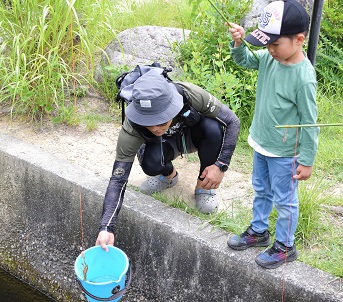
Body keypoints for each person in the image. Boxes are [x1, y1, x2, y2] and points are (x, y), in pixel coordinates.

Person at [96, 68, 240, 251]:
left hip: (193, 134)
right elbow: (118, 180)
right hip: (165, 144)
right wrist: (106, 228)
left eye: (161, 121)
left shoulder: (190, 94)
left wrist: (221, 166)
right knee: (150, 163)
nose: (156, 128)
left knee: (213, 128)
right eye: (148, 123)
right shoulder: (131, 127)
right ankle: (169, 176)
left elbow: (233, 121)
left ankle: (204, 188)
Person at [226, 0, 319, 269]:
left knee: (285, 199)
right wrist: (239, 43)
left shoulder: (303, 78)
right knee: (261, 190)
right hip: (261, 143)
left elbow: (309, 123)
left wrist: (307, 160)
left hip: (285, 153)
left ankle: (285, 245)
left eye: (275, 44)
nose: (269, 49)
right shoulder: (269, 58)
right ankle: (258, 231)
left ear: (299, 39)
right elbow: (244, 60)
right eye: (266, 43)